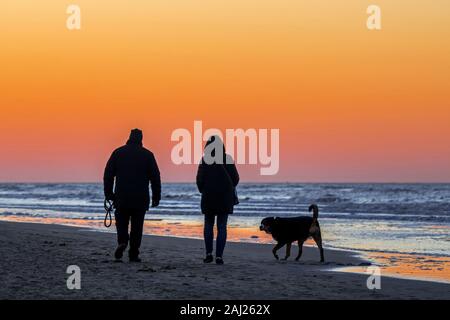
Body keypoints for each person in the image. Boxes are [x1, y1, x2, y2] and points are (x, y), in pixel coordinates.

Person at [103, 129, 161, 262]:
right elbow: (155, 178)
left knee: (121, 223)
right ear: (141, 139)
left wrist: (108, 193)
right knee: (137, 227)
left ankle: (122, 242)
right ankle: (134, 253)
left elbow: (108, 175)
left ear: (129, 138)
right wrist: (156, 197)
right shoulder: (147, 155)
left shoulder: (118, 153)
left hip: (121, 196)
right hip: (140, 198)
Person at [196, 135, 239, 265]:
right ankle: (219, 256)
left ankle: (209, 254)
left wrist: (204, 190)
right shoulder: (228, 159)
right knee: (222, 227)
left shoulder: (205, 160)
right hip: (225, 198)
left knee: (208, 226)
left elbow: (199, 180)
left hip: (209, 197)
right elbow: (236, 179)